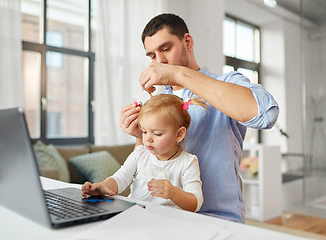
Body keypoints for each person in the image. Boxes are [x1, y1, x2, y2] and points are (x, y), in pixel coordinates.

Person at [119, 13, 279, 222]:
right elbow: (146, 164)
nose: (160, 61)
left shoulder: (227, 83)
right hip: (162, 218)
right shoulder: (159, 99)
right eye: (152, 56)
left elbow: (266, 115)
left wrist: (178, 75)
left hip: (215, 218)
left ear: (187, 42)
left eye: (166, 49)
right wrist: (140, 137)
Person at [82, 94, 208, 212]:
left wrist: (174, 193)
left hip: (167, 223)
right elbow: (119, 179)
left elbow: (195, 203)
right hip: (135, 216)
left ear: (179, 134)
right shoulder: (140, 154)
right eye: (144, 131)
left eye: (157, 133)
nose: (147, 139)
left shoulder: (188, 162)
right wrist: (102, 187)